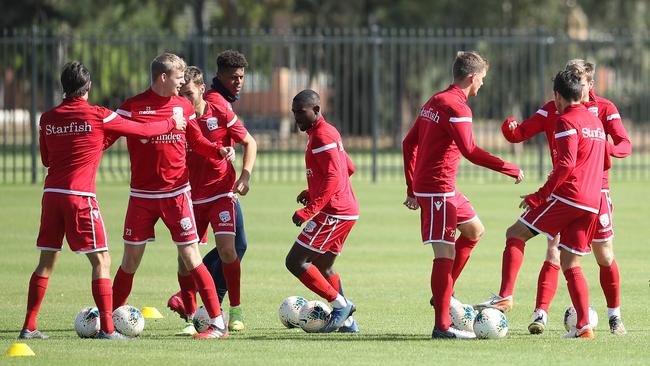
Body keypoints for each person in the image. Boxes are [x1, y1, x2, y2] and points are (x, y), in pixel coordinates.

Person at [19, 61, 186, 340]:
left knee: (46, 262)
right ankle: (108, 330)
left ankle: (29, 327)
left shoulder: (47, 118)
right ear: (89, 87)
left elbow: (46, 160)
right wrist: (172, 122)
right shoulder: (98, 115)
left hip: (51, 197)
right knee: (102, 261)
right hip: (80, 197)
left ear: (64, 87)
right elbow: (142, 131)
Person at [501, 60, 630, 335]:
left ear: (589, 84)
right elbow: (521, 132)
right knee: (558, 253)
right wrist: (510, 130)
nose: (577, 83)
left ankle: (614, 315)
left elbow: (624, 145)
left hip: (585, 192)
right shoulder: (553, 110)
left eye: (580, 79)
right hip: (571, 191)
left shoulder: (602, 110)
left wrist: (605, 150)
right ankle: (543, 314)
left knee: (604, 255)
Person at [477, 68, 607, 339]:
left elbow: (565, 165)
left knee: (515, 234)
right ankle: (584, 326)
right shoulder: (595, 121)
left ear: (557, 95)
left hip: (569, 197)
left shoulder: (565, 120)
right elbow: (603, 161)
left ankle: (505, 296)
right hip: (593, 201)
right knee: (571, 262)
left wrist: (539, 196)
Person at [110, 53, 233, 339]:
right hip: (141, 196)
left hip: (177, 194)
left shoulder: (182, 106)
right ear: (163, 78)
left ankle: (217, 324)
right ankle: (109, 322)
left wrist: (218, 150)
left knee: (191, 256)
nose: (182, 83)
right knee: (130, 260)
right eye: (178, 78)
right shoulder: (132, 107)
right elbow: (106, 134)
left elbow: (196, 140)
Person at [402, 51, 523, 339]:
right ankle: (442, 326)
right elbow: (470, 150)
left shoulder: (435, 100)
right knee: (444, 252)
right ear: (471, 76)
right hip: (438, 189)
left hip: (441, 188)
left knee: (474, 230)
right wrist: (508, 167)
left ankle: (443, 294)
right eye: (482, 78)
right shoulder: (457, 107)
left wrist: (411, 186)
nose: (482, 83)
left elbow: (409, 143)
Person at [167, 50, 253, 331]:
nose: (185, 99)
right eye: (181, 94)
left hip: (220, 193)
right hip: (190, 195)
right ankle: (192, 312)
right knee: (185, 259)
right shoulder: (179, 117)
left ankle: (236, 311)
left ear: (202, 89)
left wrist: (244, 176)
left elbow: (248, 141)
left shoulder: (219, 108)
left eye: (189, 94)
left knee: (230, 249)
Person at [284, 89, 359, 333]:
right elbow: (348, 167)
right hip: (344, 209)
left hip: (334, 213)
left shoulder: (321, 137)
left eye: (301, 112)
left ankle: (340, 306)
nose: (297, 117)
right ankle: (348, 322)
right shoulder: (328, 131)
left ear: (316, 110)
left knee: (295, 261)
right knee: (325, 266)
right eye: (294, 112)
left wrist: (309, 211)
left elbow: (334, 177)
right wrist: (312, 190)